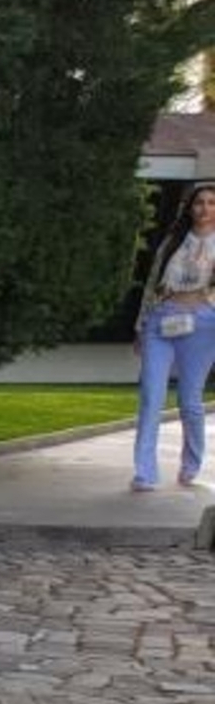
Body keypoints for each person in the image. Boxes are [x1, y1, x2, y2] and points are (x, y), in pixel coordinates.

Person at [134, 180, 215, 490]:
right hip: (161, 322)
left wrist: (200, 298)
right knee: (151, 397)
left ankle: (191, 463)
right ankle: (145, 473)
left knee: (189, 400)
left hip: (203, 325)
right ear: (190, 207)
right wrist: (140, 326)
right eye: (199, 202)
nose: (204, 208)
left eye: (211, 203)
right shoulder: (173, 240)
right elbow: (153, 283)